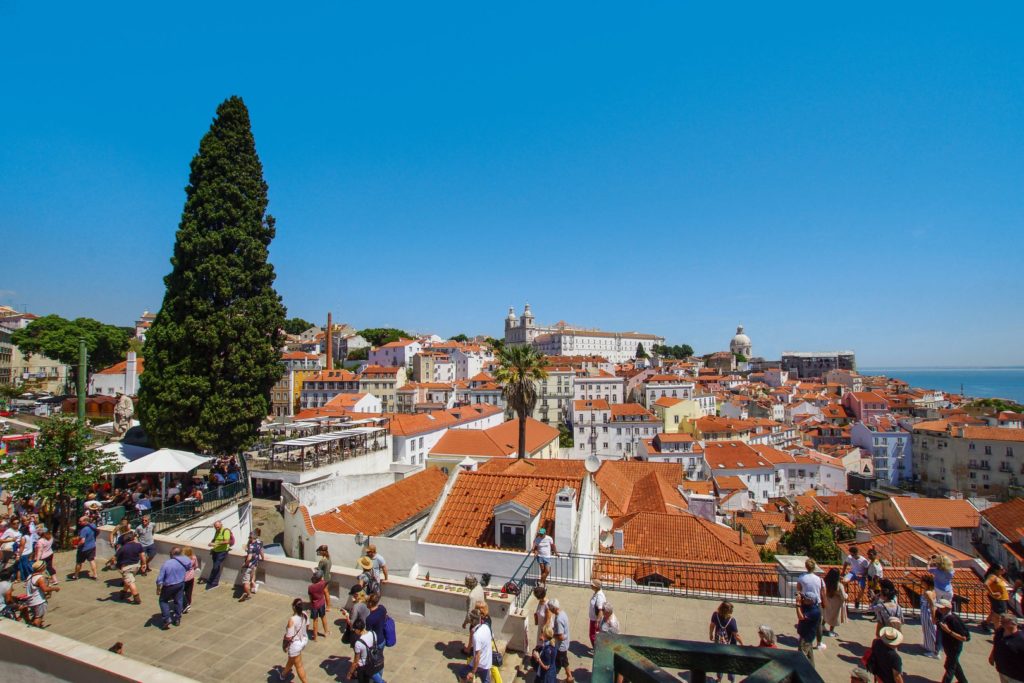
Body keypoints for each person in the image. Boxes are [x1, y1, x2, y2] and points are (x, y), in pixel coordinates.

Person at [935, 598, 969, 683]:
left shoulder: (953, 619)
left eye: (941, 608)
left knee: (950, 667)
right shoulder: (944, 616)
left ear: (946, 608)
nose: (939, 609)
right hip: (948, 646)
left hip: (954, 647)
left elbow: (963, 638)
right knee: (954, 664)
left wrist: (948, 631)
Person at [155, 547, 189, 629]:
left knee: (163, 601)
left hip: (169, 585)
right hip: (180, 583)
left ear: (172, 554)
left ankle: (167, 619)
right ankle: (177, 619)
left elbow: (160, 579)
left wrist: (158, 588)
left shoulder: (167, 564)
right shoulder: (185, 560)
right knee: (178, 600)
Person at [279, 598, 310, 683]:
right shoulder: (305, 614)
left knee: (299, 666)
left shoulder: (292, 620)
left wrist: (284, 645)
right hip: (303, 640)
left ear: (293, 607)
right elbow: (307, 627)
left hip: (295, 644)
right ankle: (283, 674)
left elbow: (289, 637)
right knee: (292, 659)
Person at [709, 601, 741, 682]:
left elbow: (712, 625)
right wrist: (742, 644)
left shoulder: (715, 615)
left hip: (718, 643)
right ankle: (732, 680)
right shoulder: (732, 621)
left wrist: (711, 634)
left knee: (719, 661)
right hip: (730, 645)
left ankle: (719, 678)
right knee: (730, 662)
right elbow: (736, 635)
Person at [989, 614, 1024, 683]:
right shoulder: (1000, 632)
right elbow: (996, 645)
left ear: (1013, 624)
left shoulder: (1021, 639)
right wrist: (992, 656)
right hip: (1002, 671)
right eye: (1001, 622)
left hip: (1017, 677)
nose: (1001, 623)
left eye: (1004, 622)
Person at [348, 617, 384, 683]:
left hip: (364, 666)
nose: (354, 631)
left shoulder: (358, 643)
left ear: (358, 630)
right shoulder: (373, 633)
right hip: (374, 661)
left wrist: (350, 672)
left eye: (355, 629)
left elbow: (356, 661)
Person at [463, 606, 494, 683]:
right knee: (486, 680)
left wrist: (473, 672)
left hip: (480, 664)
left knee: (462, 673)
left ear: (473, 621)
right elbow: (491, 636)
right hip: (486, 662)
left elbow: (477, 656)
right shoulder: (486, 626)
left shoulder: (476, 635)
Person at [114, 531, 144, 604]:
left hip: (126, 568)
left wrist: (113, 563)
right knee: (128, 580)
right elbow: (142, 556)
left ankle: (136, 598)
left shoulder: (122, 548)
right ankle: (123, 592)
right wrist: (144, 564)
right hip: (136, 566)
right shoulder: (139, 545)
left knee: (131, 582)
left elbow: (114, 558)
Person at [549, 598, 574, 683]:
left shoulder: (559, 619)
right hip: (564, 644)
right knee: (563, 661)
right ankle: (569, 677)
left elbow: (561, 636)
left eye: (550, 608)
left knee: (561, 662)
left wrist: (552, 634)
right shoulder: (563, 613)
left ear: (554, 608)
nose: (550, 610)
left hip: (561, 646)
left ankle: (569, 678)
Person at [204, 521, 233, 589]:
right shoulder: (217, 531)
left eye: (218, 527)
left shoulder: (225, 531)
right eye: (215, 527)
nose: (216, 528)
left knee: (215, 567)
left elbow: (227, 541)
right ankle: (214, 582)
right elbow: (215, 539)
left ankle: (212, 581)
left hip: (222, 552)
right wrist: (211, 543)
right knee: (216, 567)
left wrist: (215, 544)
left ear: (221, 525)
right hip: (215, 551)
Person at [463, 575, 487, 655]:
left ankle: (469, 649)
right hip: (483, 613)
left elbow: (469, 613)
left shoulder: (472, 596)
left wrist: (465, 622)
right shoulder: (479, 586)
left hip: (475, 618)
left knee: (473, 633)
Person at [985, 563, 1012, 633]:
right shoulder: (993, 576)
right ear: (996, 570)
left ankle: (985, 624)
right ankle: (998, 631)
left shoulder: (998, 576)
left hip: (1002, 598)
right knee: (999, 615)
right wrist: (992, 593)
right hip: (999, 599)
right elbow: (985, 584)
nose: (1003, 570)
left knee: (994, 612)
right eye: (1001, 569)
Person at [239, 528, 264, 602]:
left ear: (252, 537)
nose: (248, 538)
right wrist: (262, 558)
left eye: (249, 537)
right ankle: (253, 586)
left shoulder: (251, 546)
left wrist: (245, 564)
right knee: (252, 577)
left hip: (248, 566)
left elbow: (249, 557)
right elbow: (261, 551)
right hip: (255, 564)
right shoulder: (260, 542)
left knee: (246, 582)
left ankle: (248, 595)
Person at [821, 567, 846, 638]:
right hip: (836, 603)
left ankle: (822, 626)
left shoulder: (825, 582)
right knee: (834, 617)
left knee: (826, 614)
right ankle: (831, 631)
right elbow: (843, 596)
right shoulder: (839, 585)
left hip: (827, 600)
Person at [844, 545, 870, 611]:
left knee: (862, 588)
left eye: (852, 555)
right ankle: (844, 595)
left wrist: (862, 575)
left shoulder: (863, 560)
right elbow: (846, 562)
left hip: (861, 575)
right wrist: (843, 572)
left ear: (856, 553)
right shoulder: (850, 557)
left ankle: (857, 600)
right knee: (844, 581)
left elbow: (867, 569)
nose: (851, 556)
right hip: (852, 573)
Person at [73, 515, 98, 580]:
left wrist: (77, 545)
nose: (79, 522)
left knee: (79, 562)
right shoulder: (93, 526)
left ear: (85, 521)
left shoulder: (84, 530)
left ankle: (76, 575)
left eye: (80, 521)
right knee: (92, 560)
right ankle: (95, 574)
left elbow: (82, 541)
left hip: (83, 549)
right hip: (92, 546)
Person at [920, 573, 939, 658]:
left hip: (927, 612)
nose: (921, 583)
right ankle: (928, 645)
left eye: (923, 582)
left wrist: (933, 616)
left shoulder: (928, 593)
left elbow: (932, 605)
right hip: (926, 611)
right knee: (928, 629)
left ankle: (933, 651)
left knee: (930, 630)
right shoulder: (933, 591)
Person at [308, 569, 330, 640]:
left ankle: (315, 637)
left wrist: (311, 604)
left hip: (314, 605)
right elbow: (326, 583)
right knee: (323, 617)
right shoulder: (323, 583)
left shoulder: (310, 587)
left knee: (315, 620)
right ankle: (326, 632)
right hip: (321, 604)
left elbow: (310, 598)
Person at [588, 579, 607, 650]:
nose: (590, 586)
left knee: (592, 635)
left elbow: (600, 610)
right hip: (594, 618)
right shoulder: (597, 593)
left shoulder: (599, 596)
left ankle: (597, 649)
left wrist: (597, 621)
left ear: (595, 587)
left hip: (595, 619)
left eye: (592, 585)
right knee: (594, 635)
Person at [182, 547, 200, 614]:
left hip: (184, 578)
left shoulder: (183, 560)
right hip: (191, 577)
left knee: (180, 592)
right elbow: (196, 566)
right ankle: (188, 604)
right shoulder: (194, 557)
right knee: (189, 592)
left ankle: (184, 605)